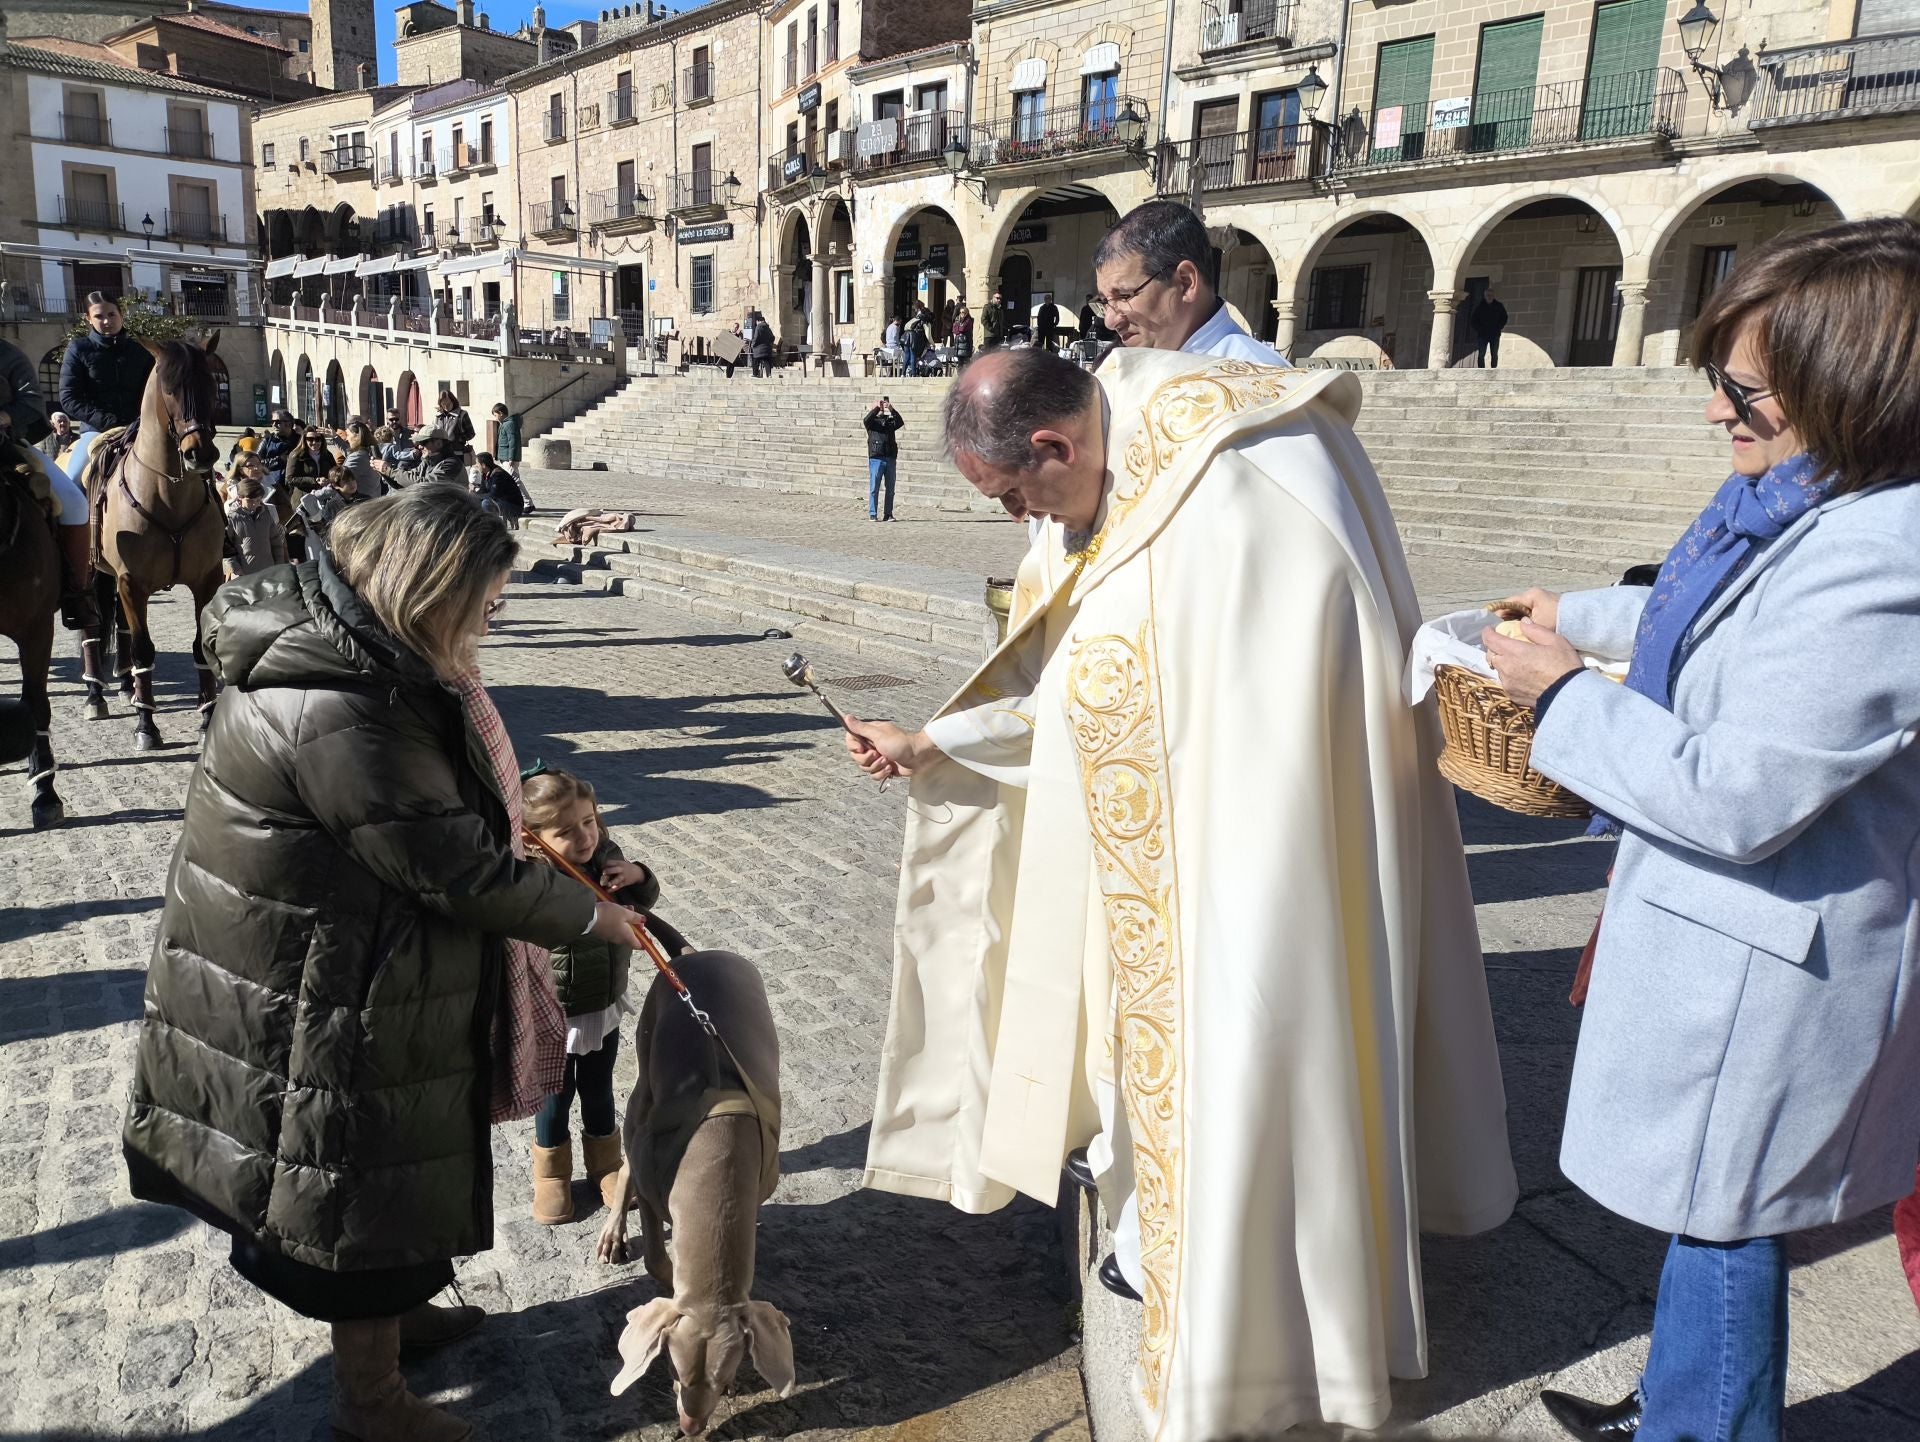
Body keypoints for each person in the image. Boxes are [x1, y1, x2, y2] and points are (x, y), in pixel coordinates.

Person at [842, 346, 1514, 1441]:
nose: (1026, 519)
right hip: (1160, 851)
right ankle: (1173, 1249)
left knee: (1257, 1061)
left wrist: (989, 735)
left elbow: (1279, 682)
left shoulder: (1247, 472)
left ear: (1055, 444)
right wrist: (941, 739)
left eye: (1018, 493)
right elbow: (1083, 687)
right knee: (1161, 1080)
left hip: (1257, 853)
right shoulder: (1122, 477)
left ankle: (1268, 1326)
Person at [1484, 218, 1920, 1442]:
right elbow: (1717, 613)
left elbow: (1735, 792)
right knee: (1711, 1206)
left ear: (1853, 383)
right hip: (1731, 941)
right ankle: (1678, 1404)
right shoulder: (1795, 502)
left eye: (1747, 389)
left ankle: (1697, 1429)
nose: (1719, 411)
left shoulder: (1883, 556)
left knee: (1727, 1214)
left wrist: (1563, 696)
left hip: (1771, 959)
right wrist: (1574, 613)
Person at [123, 485, 650, 1442]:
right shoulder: (341, 700)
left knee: (392, 1162)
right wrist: (593, 917)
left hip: (347, 940)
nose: (494, 618)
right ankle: (371, 1401)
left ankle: (397, 1319)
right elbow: (447, 861)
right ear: (428, 588)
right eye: (483, 601)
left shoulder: (366, 659)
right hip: (327, 971)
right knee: (361, 1173)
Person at [521, 766, 665, 1225]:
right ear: (531, 838)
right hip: (555, 1011)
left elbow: (644, 901)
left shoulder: (605, 856)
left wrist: (638, 875)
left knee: (599, 1089)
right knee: (554, 1096)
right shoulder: (533, 878)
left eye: (589, 821)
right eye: (566, 831)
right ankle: (551, 1177)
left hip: (602, 1002)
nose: (584, 837)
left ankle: (605, 1165)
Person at [1093, 200, 1284, 365]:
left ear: (1185, 283)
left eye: (1124, 295)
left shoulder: (1258, 381)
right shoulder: (1132, 366)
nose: (1110, 321)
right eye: (1104, 302)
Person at [1, 336, 96, 627]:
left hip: (8, 445)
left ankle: (76, 595)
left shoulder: (9, 355)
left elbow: (31, 403)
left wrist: (3, 415)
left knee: (75, 503)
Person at [58, 291, 154, 485]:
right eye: (99, 316)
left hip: (140, 428)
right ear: (88, 319)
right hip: (97, 431)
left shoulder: (141, 352)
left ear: (121, 314)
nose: (107, 321)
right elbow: (69, 397)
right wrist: (106, 421)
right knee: (73, 479)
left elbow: (151, 393)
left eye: (111, 314)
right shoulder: (78, 349)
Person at [223, 473, 285, 579]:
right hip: (243, 574)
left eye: (257, 500)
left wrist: (278, 566)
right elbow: (225, 547)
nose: (254, 504)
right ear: (240, 497)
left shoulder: (266, 515)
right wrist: (236, 568)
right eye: (250, 500)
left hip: (268, 571)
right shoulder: (232, 518)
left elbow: (276, 542)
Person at [862, 396, 904, 522]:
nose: (881, 406)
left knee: (890, 488)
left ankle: (888, 514)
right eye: (878, 404)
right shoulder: (871, 423)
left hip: (890, 457)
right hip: (876, 458)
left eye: (882, 404)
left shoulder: (889, 421)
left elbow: (900, 422)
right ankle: (873, 513)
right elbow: (866, 419)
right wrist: (876, 409)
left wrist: (892, 409)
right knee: (874, 488)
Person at [394, 426, 466, 488]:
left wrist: (392, 473)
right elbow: (411, 475)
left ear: (438, 443)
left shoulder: (452, 464)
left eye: (423, 443)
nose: (420, 446)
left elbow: (426, 485)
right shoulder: (428, 461)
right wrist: (387, 472)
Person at [472, 452, 528, 524]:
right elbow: (483, 490)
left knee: (486, 503)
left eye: (477, 464)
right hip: (502, 503)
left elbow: (493, 496)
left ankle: (490, 525)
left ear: (483, 465)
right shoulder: (485, 473)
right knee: (473, 501)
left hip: (514, 507)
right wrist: (472, 495)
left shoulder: (498, 474)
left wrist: (476, 496)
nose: (476, 466)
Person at [258, 409, 301, 494]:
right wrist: (279, 460)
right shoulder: (267, 441)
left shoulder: (300, 440)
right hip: (272, 486)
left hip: (295, 486)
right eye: (272, 421)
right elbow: (256, 462)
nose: (274, 425)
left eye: (278, 422)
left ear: (289, 423)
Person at [337, 420, 383, 498]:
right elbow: (348, 454)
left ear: (356, 436)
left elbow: (341, 479)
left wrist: (320, 492)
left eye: (348, 435)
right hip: (374, 498)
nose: (346, 439)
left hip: (361, 503)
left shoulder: (358, 456)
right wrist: (335, 438)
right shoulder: (369, 451)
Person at [1471, 286, 1508, 369]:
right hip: (1482, 334)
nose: (1489, 296)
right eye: (1487, 295)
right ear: (1485, 296)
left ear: (1493, 296)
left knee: (1494, 354)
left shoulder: (1499, 306)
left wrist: (1499, 327)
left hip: (1495, 334)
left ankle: (1493, 369)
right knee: (1481, 354)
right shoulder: (1480, 307)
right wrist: (1479, 329)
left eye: (1491, 295)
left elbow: (1504, 317)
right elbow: (1473, 320)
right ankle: (1481, 369)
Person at [749, 312, 775, 377]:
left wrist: (753, 345)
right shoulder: (768, 327)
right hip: (767, 348)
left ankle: (755, 374)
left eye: (756, 322)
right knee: (767, 361)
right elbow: (773, 337)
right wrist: (769, 343)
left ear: (758, 321)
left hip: (759, 349)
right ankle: (769, 374)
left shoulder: (758, 327)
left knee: (756, 361)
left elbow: (756, 337)